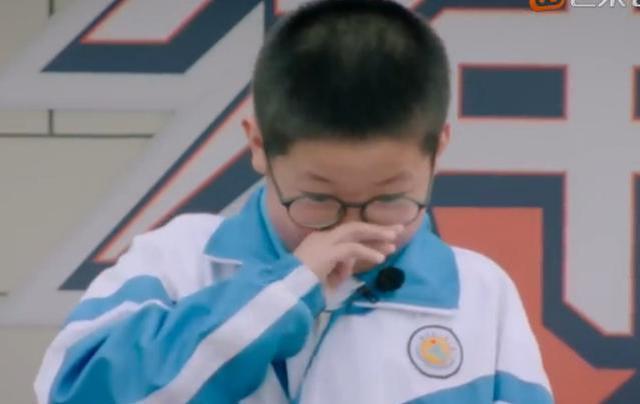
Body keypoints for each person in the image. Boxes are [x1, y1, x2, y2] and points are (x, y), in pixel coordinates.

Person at [34, 1, 553, 403]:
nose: (353, 228)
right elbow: (71, 392)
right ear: (259, 146)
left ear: (438, 150)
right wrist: (284, 290)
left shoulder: (478, 293)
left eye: (390, 199)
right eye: (319, 199)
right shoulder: (180, 260)